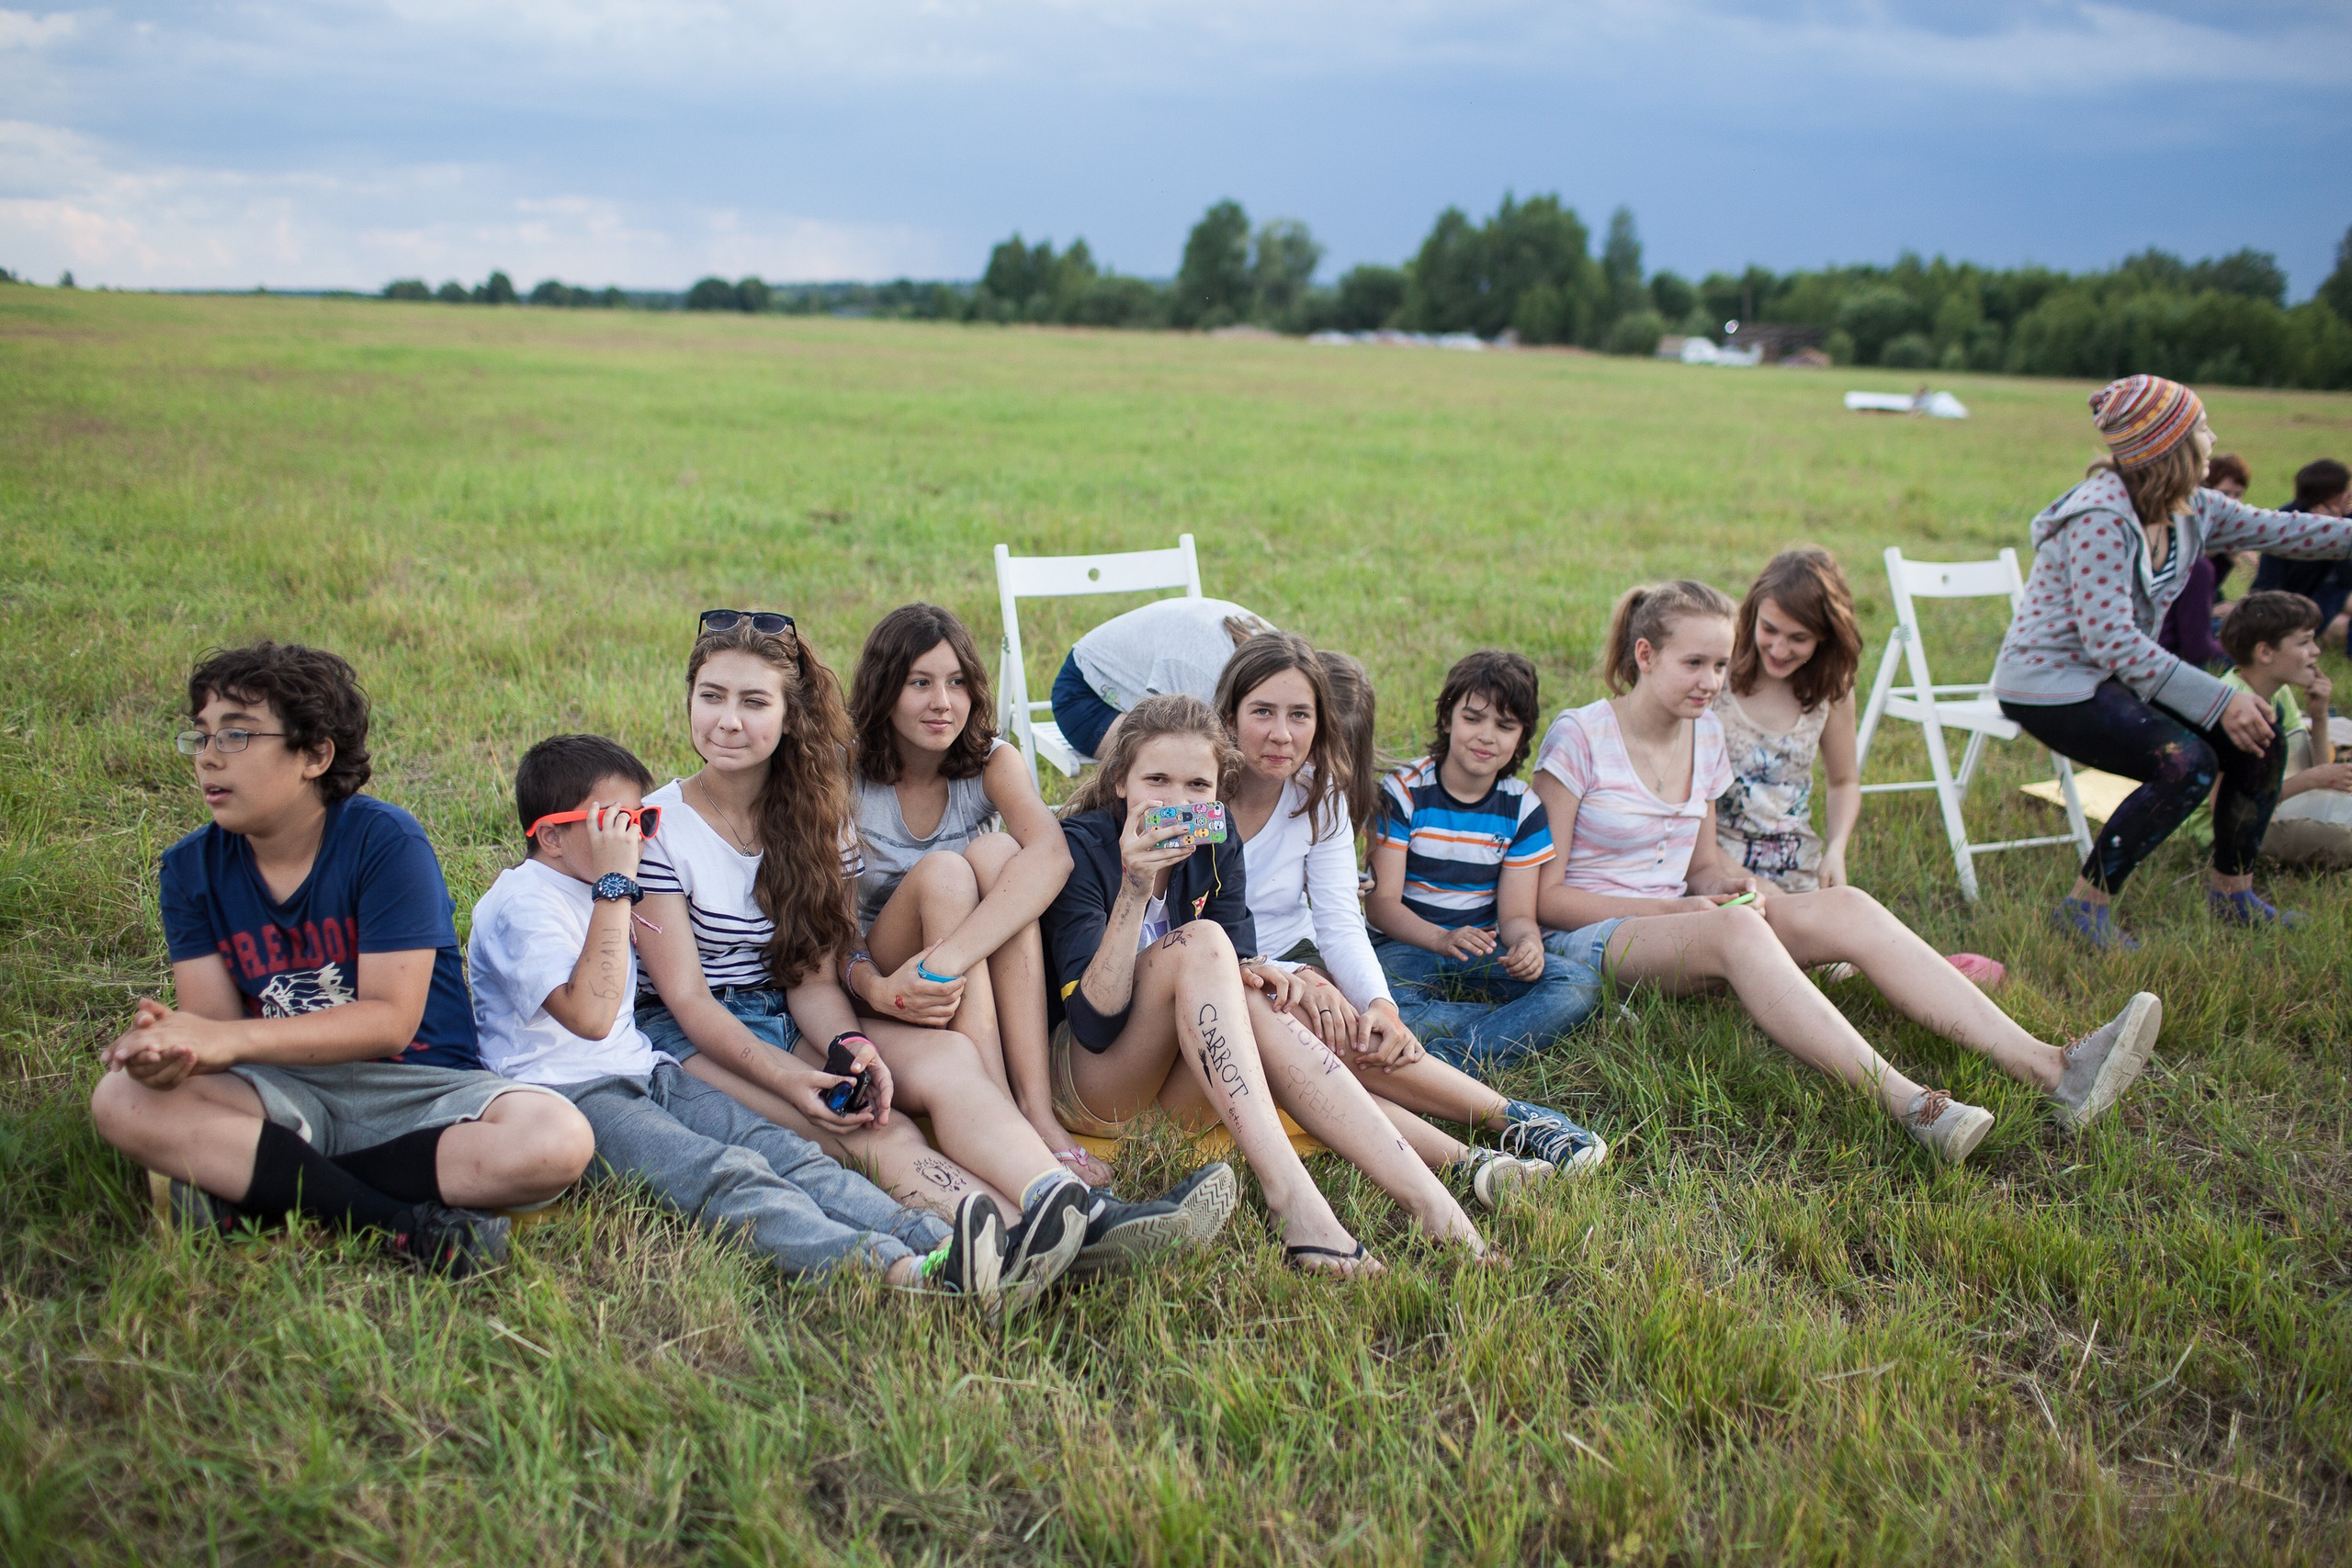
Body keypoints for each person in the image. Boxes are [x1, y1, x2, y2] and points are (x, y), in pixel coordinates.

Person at [628, 611, 1213, 1298]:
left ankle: (1075, 1208)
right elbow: (687, 1001)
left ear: (789, 716)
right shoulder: (659, 827)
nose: (729, 720)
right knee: (877, 1131)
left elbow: (810, 976)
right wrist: (794, 1080)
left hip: (793, 1012)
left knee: (952, 1062)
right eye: (712, 696)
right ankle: (1023, 1236)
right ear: (689, 701)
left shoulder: (814, 811)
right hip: (699, 1036)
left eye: (754, 701)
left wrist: (849, 1045)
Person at [1532, 582, 2163, 1166]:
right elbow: (1545, 898)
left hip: (1686, 923)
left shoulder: (1704, 735)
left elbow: (1699, 867)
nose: (1711, 682)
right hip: (1588, 938)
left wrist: (1729, 887)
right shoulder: (1581, 735)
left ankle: (2053, 1069)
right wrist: (1680, 912)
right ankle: (1913, 1105)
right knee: (1738, 932)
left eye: (1720, 665)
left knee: (1847, 905)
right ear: (1645, 655)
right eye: (1693, 663)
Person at [90, 642, 594, 1276]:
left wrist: (219, 1040)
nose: (209, 756)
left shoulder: (384, 842)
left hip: (418, 1091)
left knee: (556, 1138)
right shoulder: (190, 868)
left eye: (237, 735)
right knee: (121, 1099)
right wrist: (174, 1055)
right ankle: (400, 1223)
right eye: (201, 735)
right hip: (283, 1089)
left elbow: (389, 1022)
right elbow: (217, 1032)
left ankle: (267, 1188)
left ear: (316, 754)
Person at [470, 734, 1007, 1299]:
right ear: (551, 836)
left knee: (785, 1154)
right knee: (725, 1179)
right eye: (615, 824)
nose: (635, 839)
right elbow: (592, 1016)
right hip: (572, 1095)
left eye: (642, 820)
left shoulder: (593, 888)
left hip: (646, 1070)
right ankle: (899, 1274)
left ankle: (941, 1243)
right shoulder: (523, 904)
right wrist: (615, 885)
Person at [1037, 694, 1497, 1276]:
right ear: (1120, 782)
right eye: (1157, 781)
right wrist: (1135, 888)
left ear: (1218, 791)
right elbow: (1092, 1027)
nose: (1178, 803)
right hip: (1093, 1085)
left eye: (1198, 786)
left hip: (1176, 1093)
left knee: (1256, 991)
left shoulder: (1216, 839)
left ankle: (1434, 1206)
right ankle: (1293, 1199)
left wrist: (1277, 973)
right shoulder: (1081, 847)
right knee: (1205, 943)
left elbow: (1239, 958)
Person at [1215, 633, 1606, 1204]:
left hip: (1294, 956)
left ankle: (1501, 1140)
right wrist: (1283, 976)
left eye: (1300, 715)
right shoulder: (1198, 793)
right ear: (1229, 715)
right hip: (1221, 964)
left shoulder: (1319, 796)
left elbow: (1340, 920)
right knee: (1313, 1032)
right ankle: (1492, 1139)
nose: (1282, 734)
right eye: (1262, 712)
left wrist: (1380, 1005)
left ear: (1320, 723)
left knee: (1347, 1031)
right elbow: (1180, 922)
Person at [1991, 378, 2352, 947]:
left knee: (2259, 736)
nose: (2214, 438)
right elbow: (2111, 639)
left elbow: (2289, 530)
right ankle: (2084, 908)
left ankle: (2233, 896)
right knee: (2186, 762)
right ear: (2169, 446)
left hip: (2119, 678)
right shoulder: (2099, 518)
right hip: (2050, 684)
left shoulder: (2192, 509)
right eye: (2202, 428)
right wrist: (2220, 698)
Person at [843, 604, 1106, 1187]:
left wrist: (947, 960)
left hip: (950, 974)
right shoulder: (846, 772)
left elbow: (1054, 855)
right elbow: (828, 925)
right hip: (884, 979)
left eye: (957, 682)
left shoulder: (991, 761)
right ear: (884, 689)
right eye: (920, 683)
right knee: (946, 873)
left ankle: (1035, 1108)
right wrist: (879, 986)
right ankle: (1002, 1115)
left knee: (998, 855)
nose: (943, 702)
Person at [1718, 548, 2005, 987]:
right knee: (1784, 957)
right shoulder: (1718, 679)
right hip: (1721, 866)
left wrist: (1836, 848)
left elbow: (1843, 781)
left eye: (1798, 638)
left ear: (1825, 637)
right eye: (1769, 629)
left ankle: (1925, 974)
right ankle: (1914, 974)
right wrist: (1739, 877)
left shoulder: (1829, 690)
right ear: (1752, 615)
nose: (1778, 648)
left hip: (1795, 866)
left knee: (1838, 960)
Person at [1363, 650, 1607, 1069]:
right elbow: (1381, 905)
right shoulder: (1404, 791)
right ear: (1447, 719)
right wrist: (1440, 938)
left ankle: (1451, 1056)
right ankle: (1515, 1026)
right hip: (1404, 943)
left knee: (1578, 984)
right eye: (1473, 718)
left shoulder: (1523, 808)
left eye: (1505, 726)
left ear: (1522, 736)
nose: (1487, 736)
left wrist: (1528, 943)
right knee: (1395, 1009)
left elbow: (1516, 914)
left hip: (1481, 948)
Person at [2183, 592, 2352, 867]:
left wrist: (2320, 716)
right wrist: (2310, 780)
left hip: (2273, 811)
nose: (2316, 651)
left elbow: (2317, 770)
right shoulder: (2232, 709)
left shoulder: (2278, 693)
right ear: (2265, 653)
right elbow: (2229, 811)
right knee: (2344, 840)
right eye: (2304, 642)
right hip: (2224, 834)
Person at [1049, 595, 1274, 758]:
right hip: (1087, 692)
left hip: (1166, 662)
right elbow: (1190, 736)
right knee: (1185, 755)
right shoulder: (1202, 676)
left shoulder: (1274, 645)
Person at [2249, 459, 2352, 650]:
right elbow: (2268, 583)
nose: (2349, 494)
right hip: (2294, 602)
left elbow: (2348, 580)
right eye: (2344, 490)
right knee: (2341, 625)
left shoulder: (2346, 519)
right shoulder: (2287, 523)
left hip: (2332, 593)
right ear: (2328, 496)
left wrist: (2336, 531)